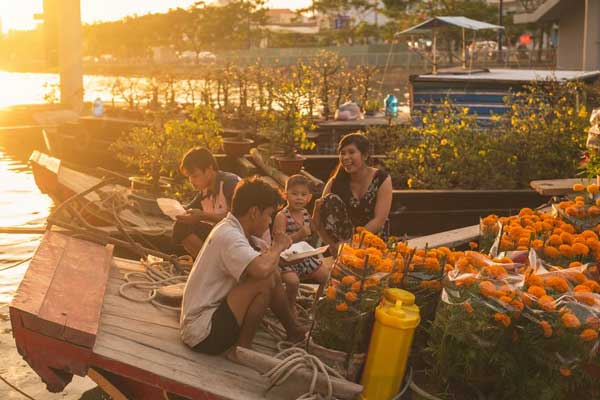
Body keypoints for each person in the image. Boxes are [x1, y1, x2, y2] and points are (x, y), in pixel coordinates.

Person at [180, 177, 306, 356]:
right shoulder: (230, 236)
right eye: (269, 214)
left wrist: (274, 252)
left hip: (210, 321)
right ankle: (243, 350)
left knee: (271, 273)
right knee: (264, 278)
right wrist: (278, 246)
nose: (270, 221)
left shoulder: (234, 229)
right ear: (254, 212)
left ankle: (293, 330)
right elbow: (261, 270)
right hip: (202, 333)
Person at [312, 133, 393, 255]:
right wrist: (333, 245)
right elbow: (319, 222)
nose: (345, 157)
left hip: (372, 241)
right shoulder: (335, 182)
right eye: (342, 153)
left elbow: (379, 219)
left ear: (365, 155)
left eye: (351, 152)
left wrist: (352, 243)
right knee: (329, 200)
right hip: (340, 246)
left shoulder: (381, 179)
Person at [272, 175, 330, 318]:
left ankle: (316, 307)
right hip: (286, 261)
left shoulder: (304, 212)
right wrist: (299, 235)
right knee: (293, 282)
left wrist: (317, 209)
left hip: (303, 258)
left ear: (309, 198)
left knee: (325, 276)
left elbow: (313, 227)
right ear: (285, 195)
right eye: (294, 194)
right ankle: (290, 307)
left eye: (303, 195)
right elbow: (279, 244)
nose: (299, 198)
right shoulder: (282, 216)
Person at [174, 147, 241, 257]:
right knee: (182, 225)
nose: (191, 181)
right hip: (223, 237)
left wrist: (203, 216)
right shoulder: (205, 191)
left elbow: (238, 219)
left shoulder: (230, 183)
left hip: (242, 242)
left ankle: (212, 265)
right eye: (189, 177)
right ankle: (206, 263)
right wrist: (175, 209)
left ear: (210, 168)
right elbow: (189, 209)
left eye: (195, 175)